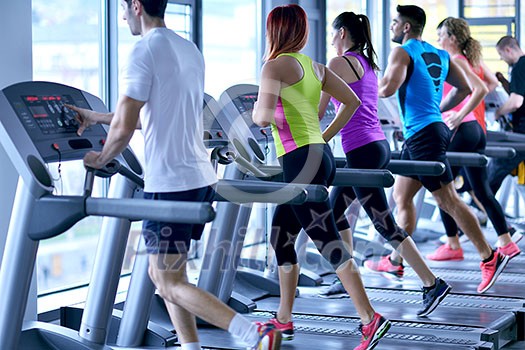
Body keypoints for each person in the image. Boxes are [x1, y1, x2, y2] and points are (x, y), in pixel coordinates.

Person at [67, 1, 281, 349]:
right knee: (170, 275)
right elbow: (144, 117)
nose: (121, 16)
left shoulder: (144, 50)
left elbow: (124, 127)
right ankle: (190, 346)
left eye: (123, 7)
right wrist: (95, 117)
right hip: (197, 177)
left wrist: (100, 158)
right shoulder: (188, 49)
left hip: (170, 182)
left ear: (136, 6)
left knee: (165, 280)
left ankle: (254, 333)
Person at [252, 5, 390, 350]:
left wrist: (269, 115)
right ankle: (284, 318)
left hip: (301, 161)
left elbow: (260, 116)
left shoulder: (274, 66)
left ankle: (370, 319)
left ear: (275, 31)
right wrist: (323, 134)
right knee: (281, 236)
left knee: (327, 241)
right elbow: (352, 100)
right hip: (320, 157)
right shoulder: (314, 67)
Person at [317, 11, 450, 317]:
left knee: (383, 222)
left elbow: (324, 109)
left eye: (332, 33)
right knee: (336, 212)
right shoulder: (368, 64)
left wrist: (321, 136)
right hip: (376, 146)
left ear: (341, 34)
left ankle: (432, 282)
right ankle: (347, 278)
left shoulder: (339, 63)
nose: (331, 40)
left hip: (362, 150)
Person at [371, 4, 510, 294]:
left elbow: (386, 88)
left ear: (407, 27)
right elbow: (465, 89)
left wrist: (353, 89)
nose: (392, 27)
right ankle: (396, 259)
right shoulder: (440, 54)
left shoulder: (403, 51)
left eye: (395, 22)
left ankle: (489, 256)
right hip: (424, 132)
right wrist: (438, 110)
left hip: (424, 134)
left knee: (448, 200)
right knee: (402, 194)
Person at [426, 17, 521, 261]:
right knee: (481, 189)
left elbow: (478, 87)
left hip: (463, 129)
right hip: (476, 129)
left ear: (453, 39)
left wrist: (458, 113)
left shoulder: (456, 60)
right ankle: (506, 241)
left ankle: (452, 244)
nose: (438, 40)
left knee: (441, 188)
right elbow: (486, 84)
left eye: (441, 36)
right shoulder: (470, 59)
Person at [486, 36, 525, 195]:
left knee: (495, 169)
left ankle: (480, 207)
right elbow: (520, 94)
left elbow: (516, 102)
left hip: (522, 133)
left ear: (508, 50)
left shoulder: (519, 67)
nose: (501, 58)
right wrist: (503, 82)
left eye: (501, 54)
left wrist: (496, 113)